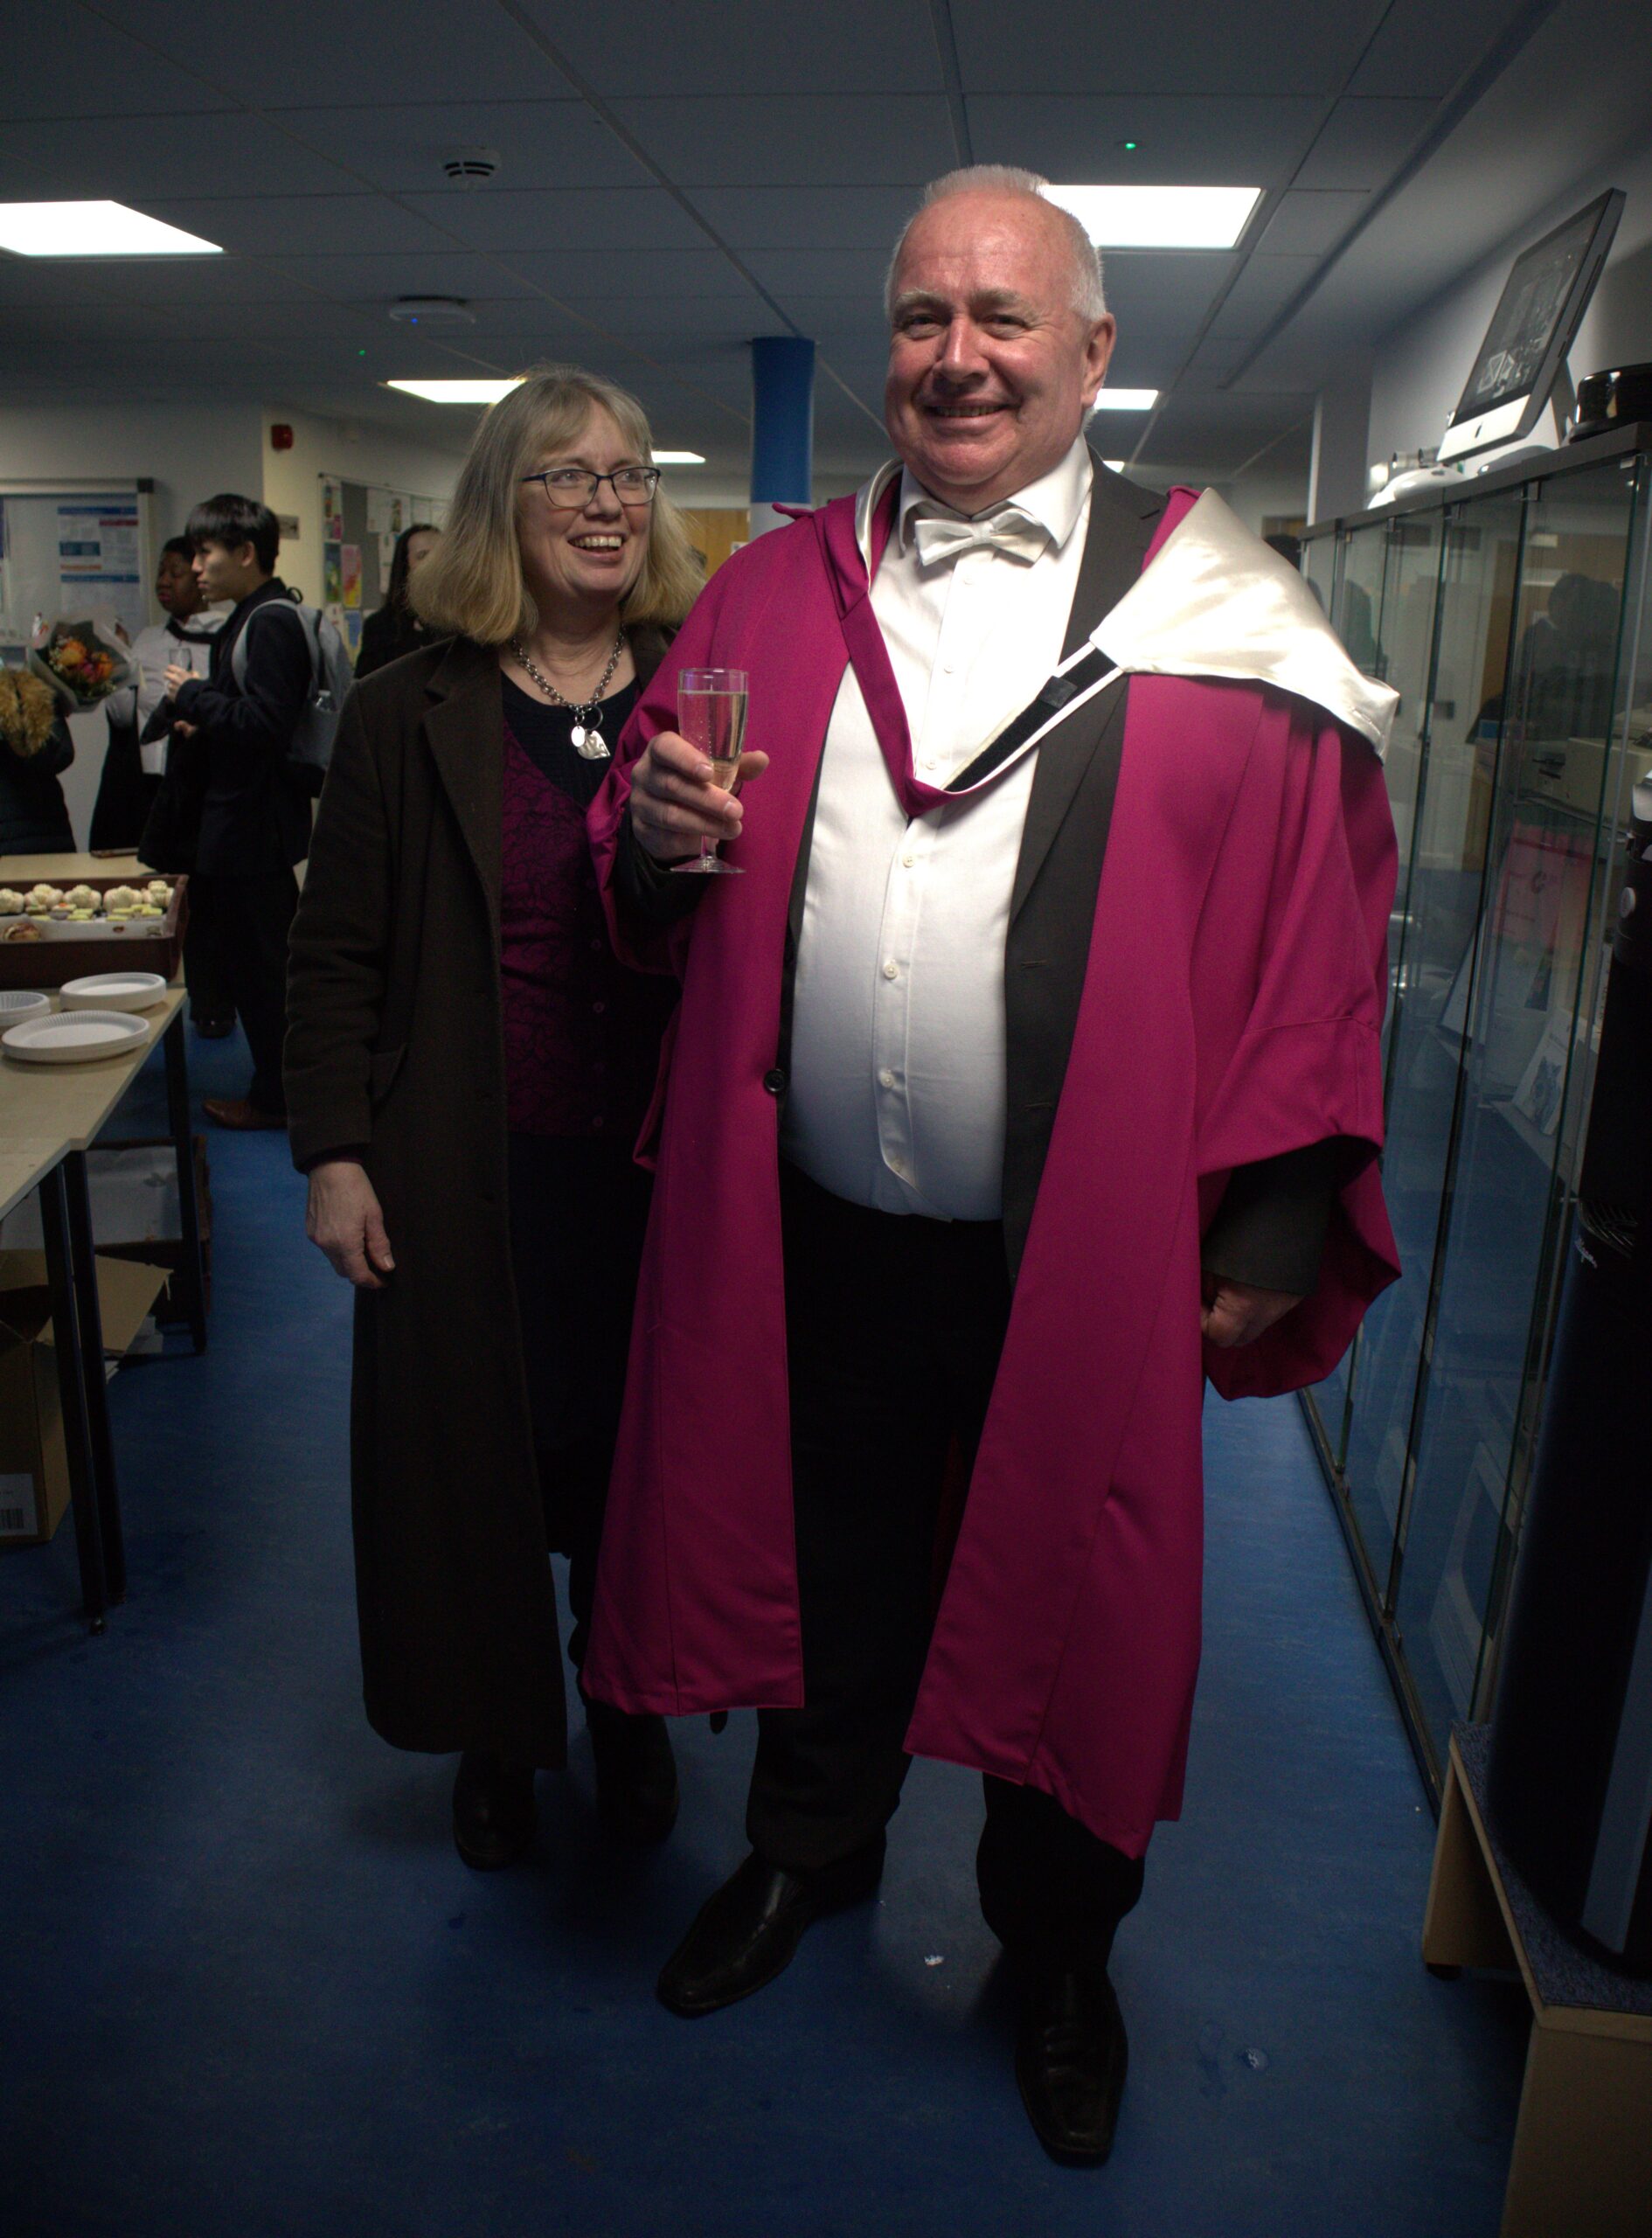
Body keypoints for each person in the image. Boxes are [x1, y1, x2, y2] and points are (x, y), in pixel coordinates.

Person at [582, 166, 1402, 2165]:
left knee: (1075, 1588)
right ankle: (812, 1846)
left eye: (1005, 317)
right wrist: (657, 844)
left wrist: (1272, 1214)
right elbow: (646, 838)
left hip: (1089, 1248)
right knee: (831, 1553)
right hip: (819, 1226)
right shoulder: (772, 590)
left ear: (1094, 352)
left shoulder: (1225, 616)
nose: (958, 357)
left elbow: (1313, 935)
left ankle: (1059, 1951)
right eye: (923, 317)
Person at [283, 366, 702, 1868]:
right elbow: (334, 953)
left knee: (632, 1455)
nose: (607, 503)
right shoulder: (406, 712)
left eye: (628, 474)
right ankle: (497, 1732)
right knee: (479, 1457)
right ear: (498, 507)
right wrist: (336, 1154)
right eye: (568, 475)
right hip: (469, 1155)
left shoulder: (698, 693)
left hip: (656, 1161)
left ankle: (627, 1704)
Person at [142, 496, 313, 1125]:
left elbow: (267, 724)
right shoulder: (251, 616)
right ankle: (279, 1091)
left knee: (264, 973)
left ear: (245, 554)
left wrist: (193, 696)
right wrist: (204, 719)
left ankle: (279, 1099)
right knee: (252, 967)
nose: (196, 568)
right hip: (243, 826)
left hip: (253, 830)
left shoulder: (269, 622)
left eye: (206, 553)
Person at [90, 536, 226, 852]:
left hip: (202, 787)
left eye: (175, 573)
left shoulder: (225, 635)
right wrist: (116, 658)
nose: (164, 581)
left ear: (199, 577)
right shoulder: (148, 640)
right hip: (147, 789)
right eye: (161, 572)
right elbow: (123, 717)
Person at [352, 524, 443, 679]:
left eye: (440, 555)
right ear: (405, 566)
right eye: (423, 556)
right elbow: (366, 685)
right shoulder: (381, 626)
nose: (433, 563)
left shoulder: (462, 623)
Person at [0, 667, 74, 852]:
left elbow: (62, 755)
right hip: (47, 832)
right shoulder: (37, 688)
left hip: (22, 834)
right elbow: (63, 754)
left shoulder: (34, 687)